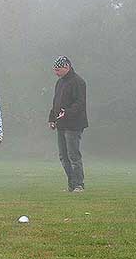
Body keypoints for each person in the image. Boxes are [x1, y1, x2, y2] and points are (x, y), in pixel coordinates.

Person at [48, 56, 88, 193]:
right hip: (61, 124)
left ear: (67, 67)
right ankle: (71, 184)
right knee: (63, 156)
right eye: (55, 70)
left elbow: (80, 103)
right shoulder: (59, 83)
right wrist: (52, 119)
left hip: (74, 125)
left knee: (73, 156)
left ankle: (79, 184)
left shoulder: (78, 82)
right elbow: (56, 103)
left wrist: (67, 113)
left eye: (58, 70)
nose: (56, 73)